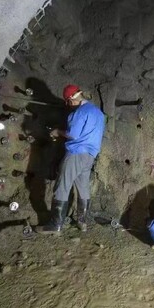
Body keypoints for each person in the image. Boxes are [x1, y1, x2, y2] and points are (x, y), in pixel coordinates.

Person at [38, 84, 105, 233]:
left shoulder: (78, 113)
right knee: (83, 187)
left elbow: (73, 134)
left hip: (76, 153)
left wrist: (57, 131)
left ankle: (56, 225)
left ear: (69, 100)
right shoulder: (98, 113)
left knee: (62, 186)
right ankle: (82, 222)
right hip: (90, 156)